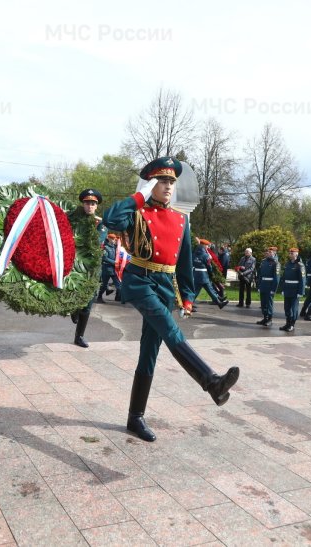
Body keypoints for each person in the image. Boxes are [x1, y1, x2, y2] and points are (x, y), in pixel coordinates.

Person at [102, 156, 239, 442]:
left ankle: (135, 417)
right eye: (162, 180)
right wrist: (139, 195)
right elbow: (110, 219)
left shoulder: (179, 218)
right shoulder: (136, 212)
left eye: (171, 181)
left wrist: (187, 296)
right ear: (151, 183)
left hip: (165, 285)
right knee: (169, 329)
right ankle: (210, 381)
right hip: (139, 280)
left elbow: (184, 262)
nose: (168, 186)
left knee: (149, 351)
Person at [70, 188, 108, 348]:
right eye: (87, 203)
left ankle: (79, 336)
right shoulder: (74, 220)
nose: (90, 206)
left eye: (93, 203)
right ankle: (74, 308)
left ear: (96, 206)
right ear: (83, 204)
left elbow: (95, 242)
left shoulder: (101, 224)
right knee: (75, 294)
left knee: (89, 301)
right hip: (77, 266)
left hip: (92, 269)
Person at [192, 237, 228, 309]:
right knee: (197, 291)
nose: (208, 247)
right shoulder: (205, 255)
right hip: (203, 275)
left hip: (196, 274)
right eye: (207, 246)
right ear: (204, 246)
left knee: (209, 289)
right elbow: (209, 266)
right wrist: (211, 273)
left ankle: (219, 301)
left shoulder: (194, 253)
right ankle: (188, 304)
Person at [279, 247, 305, 332]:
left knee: (294, 309)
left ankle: (292, 325)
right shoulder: (288, 264)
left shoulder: (300, 265)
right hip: (287, 289)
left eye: (292, 253)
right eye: (289, 253)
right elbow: (284, 277)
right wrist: (283, 289)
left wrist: (301, 292)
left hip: (295, 290)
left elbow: (302, 279)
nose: (290, 254)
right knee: (286, 308)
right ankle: (287, 323)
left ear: (296, 254)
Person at [256, 246, 279, 327]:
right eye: (268, 252)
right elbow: (260, 275)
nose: (268, 253)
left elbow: (276, 278)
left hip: (270, 286)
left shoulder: (276, 263)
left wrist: (273, 289)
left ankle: (270, 319)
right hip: (263, 285)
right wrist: (259, 285)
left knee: (269, 303)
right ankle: (265, 317)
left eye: (270, 252)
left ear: (274, 253)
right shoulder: (263, 262)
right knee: (263, 303)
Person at [98, 233, 121, 303]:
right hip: (107, 269)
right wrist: (114, 262)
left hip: (115, 270)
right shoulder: (106, 248)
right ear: (109, 239)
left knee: (119, 285)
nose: (114, 240)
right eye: (113, 239)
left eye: (115, 239)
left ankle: (118, 297)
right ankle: (99, 297)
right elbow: (104, 258)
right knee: (104, 285)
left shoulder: (116, 247)